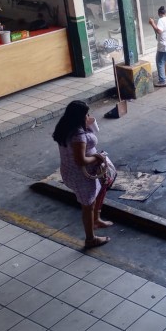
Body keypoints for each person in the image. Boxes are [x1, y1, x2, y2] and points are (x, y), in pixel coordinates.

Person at [52, 101, 113, 249]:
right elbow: (80, 160)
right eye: (86, 114)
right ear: (79, 117)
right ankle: (90, 239)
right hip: (82, 176)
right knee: (87, 206)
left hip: (69, 171)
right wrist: (98, 158)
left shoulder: (65, 127)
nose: (89, 116)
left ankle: (96, 219)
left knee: (97, 193)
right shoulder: (78, 135)